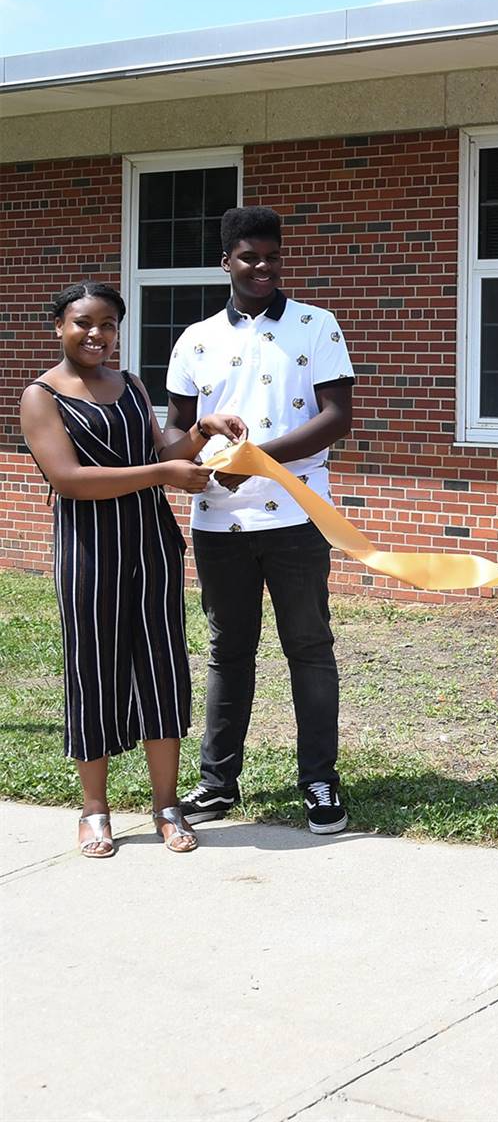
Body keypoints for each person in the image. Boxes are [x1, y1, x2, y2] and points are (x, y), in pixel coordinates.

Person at [19, 283, 247, 857]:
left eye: (108, 325)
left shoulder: (132, 386)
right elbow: (67, 479)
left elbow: (163, 452)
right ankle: (95, 809)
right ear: (59, 327)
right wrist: (161, 476)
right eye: (83, 322)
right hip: (89, 553)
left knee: (162, 670)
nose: (96, 334)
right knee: (94, 672)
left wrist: (201, 432)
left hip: (151, 549)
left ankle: (166, 806)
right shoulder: (41, 396)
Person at [166, 206, 358, 836]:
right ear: (226, 262)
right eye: (249, 257)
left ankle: (321, 783)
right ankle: (217, 784)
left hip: (298, 514)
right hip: (219, 523)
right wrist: (204, 439)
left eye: (272, 256)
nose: (263, 268)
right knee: (229, 652)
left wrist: (257, 459)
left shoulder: (316, 326)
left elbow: (337, 418)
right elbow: (174, 436)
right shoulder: (195, 340)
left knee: (309, 647)